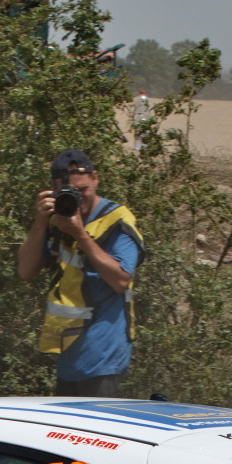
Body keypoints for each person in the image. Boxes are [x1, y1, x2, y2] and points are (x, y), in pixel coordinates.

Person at [17, 149, 144, 397]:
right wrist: (40, 222)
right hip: (69, 349)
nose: (78, 198)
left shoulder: (117, 220)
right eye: (69, 192)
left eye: (83, 190)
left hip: (103, 351)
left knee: (94, 422)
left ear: (95, 179)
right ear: (54, 189)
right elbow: (25, 270)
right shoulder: (56, 217)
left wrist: (79, 234)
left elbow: (121, 280)